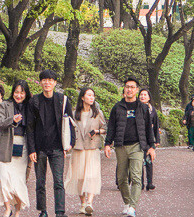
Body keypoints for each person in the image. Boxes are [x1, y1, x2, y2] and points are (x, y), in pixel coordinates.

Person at [104, 78, 156, 217]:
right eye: (127, 87)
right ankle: (127, 203)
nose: (129, 89)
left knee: (136, 177)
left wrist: (151, 146)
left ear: (137, 90)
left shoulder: (143, 108)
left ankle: (132, 207)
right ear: (124, 89)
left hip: (137, 146)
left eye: (132, 87)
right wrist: (107, 144)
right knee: (121, 178)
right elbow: (111, 127)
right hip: (120, 146)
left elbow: (148, 128)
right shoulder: (117, 107)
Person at [28, 69, 72, 217]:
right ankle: (43, 210)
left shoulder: (62, 99)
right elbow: (30, 127)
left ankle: (60, 212)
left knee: (58, 181)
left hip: (58, 147)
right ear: (40, 82)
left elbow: (70, 122)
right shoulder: (34, 101)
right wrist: (31, 149)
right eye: (44, 80)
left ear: (55, 82)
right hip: (40, 147)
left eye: (50, 80)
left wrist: (69, 143)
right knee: (40, 182)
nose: (47, 82)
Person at [0, 81, 33, 217]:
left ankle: (17, 211)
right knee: (3, 178)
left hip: (22, 147)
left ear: (26, 94)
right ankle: (7, 208)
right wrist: (12, 120)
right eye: (16, 92)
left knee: (18, 181)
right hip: (5, 145)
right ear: (12, 92)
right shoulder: (4, 105)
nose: (19, 95)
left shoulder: (30, 106)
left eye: (22, 92)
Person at [66, 86, 105, 215]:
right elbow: (69, 129)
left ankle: (90, 202)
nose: (91, 98)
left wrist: (97, 131)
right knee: (79, 177)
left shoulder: (97, 113)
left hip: (92, 148)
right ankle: (82, 203)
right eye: (88, 95)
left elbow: (105, 128)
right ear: (82, 97)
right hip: (78, 148)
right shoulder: (74, 113)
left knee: (92, 175)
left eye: (93, 95)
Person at [138, 89, 159, 191]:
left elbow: (156, 125)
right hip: (139, 138)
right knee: (140, 161)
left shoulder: (152, 110)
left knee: (149, 160)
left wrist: (156, 140)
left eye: (145, 95)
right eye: (141, 95)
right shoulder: (136, 108)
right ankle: (140, 183)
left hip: (149, 139)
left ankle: (149, 183)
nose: (142, 97)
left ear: (149, 97)